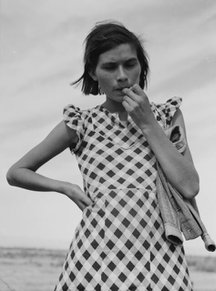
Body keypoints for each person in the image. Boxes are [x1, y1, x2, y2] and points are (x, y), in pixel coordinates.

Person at [7, 21, 199, 290]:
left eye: (130, 64)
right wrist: (65, 187)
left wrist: (147, 124)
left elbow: (189, 186)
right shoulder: (81, 123)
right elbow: (16, 172)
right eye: (109, 67)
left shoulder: (167, 116)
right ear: (93, 73)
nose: (122, 75)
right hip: (94, 258)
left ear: (141, 66)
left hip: (161, 257)